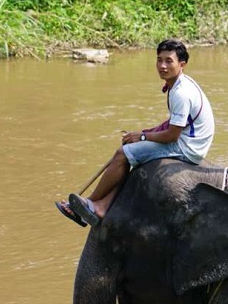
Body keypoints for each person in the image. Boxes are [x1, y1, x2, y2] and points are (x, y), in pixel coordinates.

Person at [56, 39, 214, 228]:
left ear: (182, 64)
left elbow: (172, 135)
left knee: (123, 154)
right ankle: (102, 206)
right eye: (159, 60)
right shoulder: (179, 83)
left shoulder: (181, 93)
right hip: (190, 138)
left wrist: (142, 137)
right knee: (133, 152)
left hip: (188, 147)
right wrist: (148, 132)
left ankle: (87, 205)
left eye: (168, 61)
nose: (162, 66)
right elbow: (175, 122)